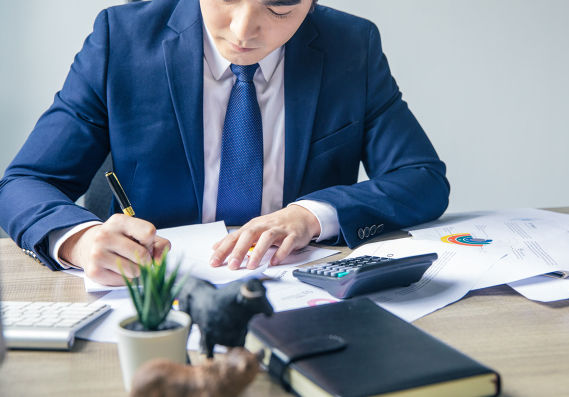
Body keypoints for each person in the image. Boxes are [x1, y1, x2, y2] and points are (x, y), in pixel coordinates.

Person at [0, 0, 449, 286]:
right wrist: (80, 239)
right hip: (149, 297)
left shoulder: (352, 45)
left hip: (300, 297)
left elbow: (422, 178)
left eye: (280, 6)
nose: (243, 29)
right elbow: (26, 181)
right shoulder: (122, 38)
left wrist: (311, 215)